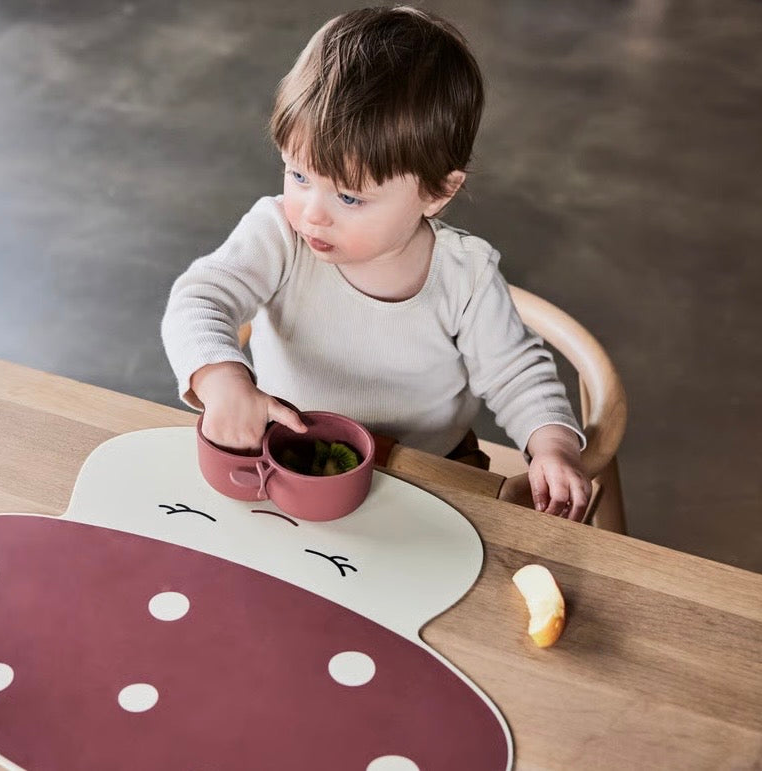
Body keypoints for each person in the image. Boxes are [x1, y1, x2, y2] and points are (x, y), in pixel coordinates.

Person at [161, 6, 594, 520]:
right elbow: (200, 298)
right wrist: (223, 381)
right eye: (298, 175)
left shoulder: (465, 276)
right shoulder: (279, 234)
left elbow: (516, 373)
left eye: (349, 197)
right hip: (288, 450)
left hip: (429, 470)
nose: (312, 213)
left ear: (437, 192)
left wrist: (552, 448)